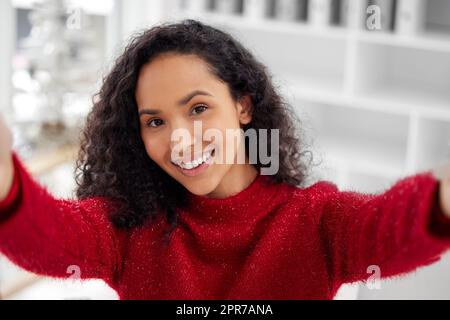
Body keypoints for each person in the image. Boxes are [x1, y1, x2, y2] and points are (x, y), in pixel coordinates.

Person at [0, 20, 450, 300]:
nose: (180, 140)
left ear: (243, 107)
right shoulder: (131, 226)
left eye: (198, 109)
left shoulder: (317, 221)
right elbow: (52, 237)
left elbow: (392, 226)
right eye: (154, 122)